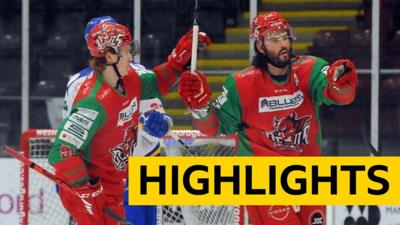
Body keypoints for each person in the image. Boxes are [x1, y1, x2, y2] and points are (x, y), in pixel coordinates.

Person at [178, 12, 358, 225]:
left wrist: (342, 83)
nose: (283, 43)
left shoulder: (310, 69)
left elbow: (340, 96)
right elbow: (216, 127)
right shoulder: (242, 83)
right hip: (262, 177)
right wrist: (200, 107)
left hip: (308, 172)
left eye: (285, 37)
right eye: (274, 39)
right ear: (260, 47)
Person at [48, 20, 209, 225]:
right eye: (126, 50)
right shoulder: (93, 102)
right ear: (109, 55)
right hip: (92, 190)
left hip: (114, 182)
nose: (131, 56)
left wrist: (178, 63)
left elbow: (157, 82)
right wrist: (87, 190)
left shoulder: (129, 79)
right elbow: (61, 151)